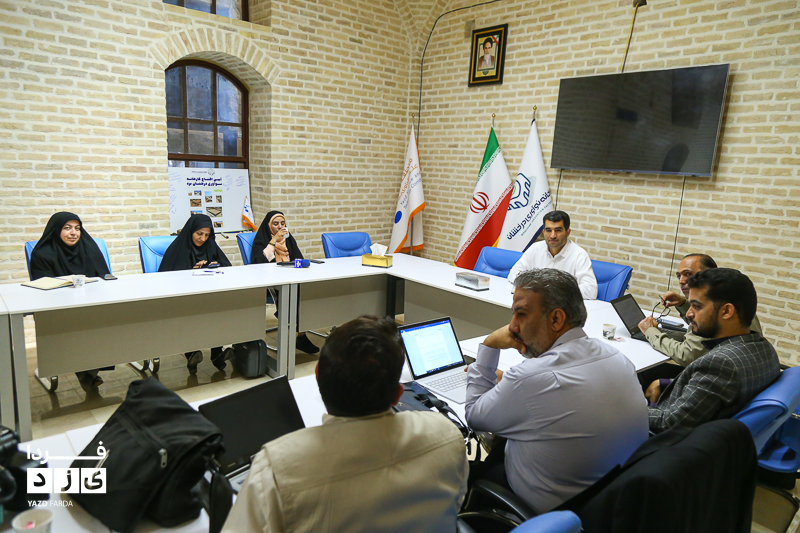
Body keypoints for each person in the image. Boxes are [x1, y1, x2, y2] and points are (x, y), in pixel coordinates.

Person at [222, 316, 468, 533]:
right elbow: (454, 507)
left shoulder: (278, 466)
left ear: (317, 375)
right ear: (397, 395)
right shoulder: (446, 434)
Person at [465, 268, 647, 514]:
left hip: (544, 514)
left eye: (521, 314)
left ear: (556, 319)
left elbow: (474, 416)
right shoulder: (616, 357)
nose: (512, 326)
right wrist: (509, 380)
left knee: (469, 468)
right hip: (609, 503)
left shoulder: (529, 379)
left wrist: (488, 346)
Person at [647, 268, 780, 434]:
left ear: (727, 311)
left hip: (665, 440)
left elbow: (669, 423)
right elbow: (714, 390)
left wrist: (625, 408)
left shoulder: (720, 363)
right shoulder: (763, 347)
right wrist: (665, 383)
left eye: (696, 306)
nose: (689, 314)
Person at [30, 212, 113, 387]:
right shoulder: (42, 254)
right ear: (56, 230)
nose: (73, 233)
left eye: (77, 228)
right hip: (59, 308)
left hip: (91, 303)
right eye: (67, 228)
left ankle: (89, 372)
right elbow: (43, 287)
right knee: (81, 323)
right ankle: (87, 372)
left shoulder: (89, 248)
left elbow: (103, 277)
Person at [638, 253, 763, 368]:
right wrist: (683, 303)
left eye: (688, 274)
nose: (681, 281)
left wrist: (651, 332)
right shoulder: (735, 299)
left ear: (709, 274)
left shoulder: (722, 311)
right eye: (679, 276)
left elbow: (686, 355)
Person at [159, 214, 232, 371]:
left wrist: (216, 265)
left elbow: (227, 266)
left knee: (221, 308)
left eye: (206, 235)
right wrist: (191, 271)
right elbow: (166, 278)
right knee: (191, 311)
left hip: (209, 294)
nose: (203, 239)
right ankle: (192, 353)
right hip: (185, 297)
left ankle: (217, 352)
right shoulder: (178, 248)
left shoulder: (211, 245)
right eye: (199, 234)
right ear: (191, 231)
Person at [251, 210, 319, 354]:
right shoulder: (261, 240)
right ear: (269, 225)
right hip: (271, 280)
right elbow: (259, 262)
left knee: (309, 291)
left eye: (283, 223)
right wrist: (274, 240)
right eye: (276, 224)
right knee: (296, 293)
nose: (280, 227)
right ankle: (299, 333)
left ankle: (301, 333)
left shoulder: (288, 239)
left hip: (291, 276)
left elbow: (298, 258)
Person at [507, 210, 598, 300]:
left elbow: (590, 291)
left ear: (568, 232)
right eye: (548, 230)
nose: (553, 235)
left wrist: (554, 292)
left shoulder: (579, 255)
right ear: (544, 232)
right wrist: (534, 286)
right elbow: (514, 273)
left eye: (558, 230)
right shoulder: (535, 248)